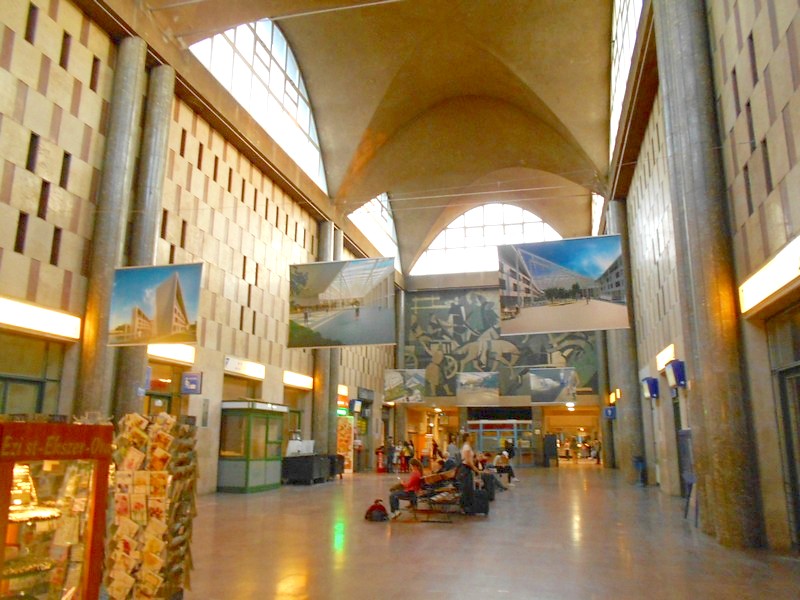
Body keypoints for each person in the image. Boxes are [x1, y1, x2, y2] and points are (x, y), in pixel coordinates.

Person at [458, 432, 480, 512]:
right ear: (467, 438)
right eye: (470, 437)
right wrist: (475, 469)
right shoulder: (466, 447)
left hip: (466, 468)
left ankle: (467, 506)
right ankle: (465, 507)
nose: (472, 438)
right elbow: (467, 460)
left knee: (468, 487)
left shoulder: (467, 446)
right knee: (466, 488)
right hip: (466, 469)